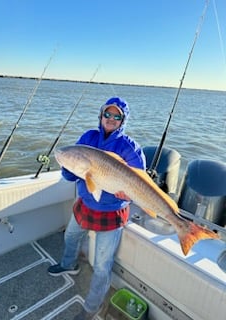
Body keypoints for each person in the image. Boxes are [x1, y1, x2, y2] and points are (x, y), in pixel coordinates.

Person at [48, 97, 146, 320]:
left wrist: (126, 194)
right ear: (101, 115)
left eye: (117, 116)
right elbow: (70, 172)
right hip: (86, 204)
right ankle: (68, 264)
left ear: (123, 120)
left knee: (102, 265)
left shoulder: (130, 147)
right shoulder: (88, 138)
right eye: (107, 114)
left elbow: (139, 181)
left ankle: (92, 307)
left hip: (112, 212)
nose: (111, 119)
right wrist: (70, 169)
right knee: (71, 235)